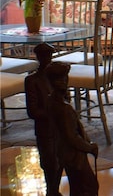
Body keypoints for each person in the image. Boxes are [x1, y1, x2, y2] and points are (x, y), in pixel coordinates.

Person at [46, 62, 99, 196]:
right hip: (74, 155)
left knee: (76, 186)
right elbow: (72, 137)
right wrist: (89, 147)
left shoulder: (51, 101)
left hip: (63, 152)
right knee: (89, 186)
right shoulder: (65, 109)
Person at [25, 43, 63, 196]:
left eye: (49, 56)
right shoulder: (32, 81)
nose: (47, 59)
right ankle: (51, 191)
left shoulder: (56, 78)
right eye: (45, 56)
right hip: (45, 130)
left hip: (59, 128)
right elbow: (33, 111)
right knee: (49, 163)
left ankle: (54, 190)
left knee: (60, 161)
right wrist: (53, 112)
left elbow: (65, 99)